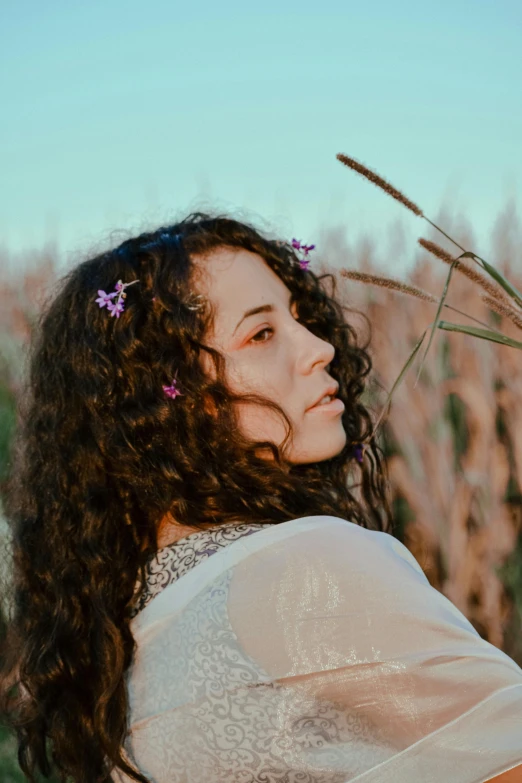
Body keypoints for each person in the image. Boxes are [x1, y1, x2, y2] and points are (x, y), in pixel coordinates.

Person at [1, 212, 521, 783]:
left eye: (299, 318)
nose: (320, 348)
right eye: (262, 333)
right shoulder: (305, 570)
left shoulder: (122, 629)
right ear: (173, 395)